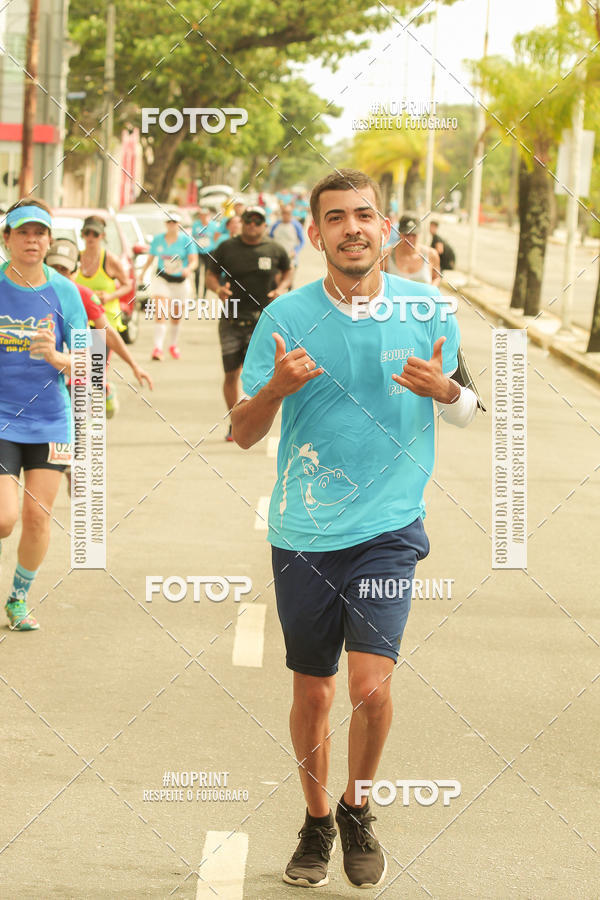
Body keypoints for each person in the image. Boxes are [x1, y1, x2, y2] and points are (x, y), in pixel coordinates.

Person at [231, 169, 479, 889]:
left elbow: (469, 408)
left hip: (389, 527)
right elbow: (243, 434)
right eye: (335, 217)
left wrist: (449, 392)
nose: (351, 228)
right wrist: (276, 388)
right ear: (316, 234)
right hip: (304, 531)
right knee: (315, 694)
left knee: (371, 687)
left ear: (383, 225)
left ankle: (358, 807)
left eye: (363, 214)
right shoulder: (283, 319)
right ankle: (315, 822)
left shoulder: (430, 309)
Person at [0, 199, 88, 631]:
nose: (32, 240)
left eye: (40, 233)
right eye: (23, 233)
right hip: (1, 417)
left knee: (38, 516)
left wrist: (57, 357)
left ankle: (18, 597)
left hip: (51, 420)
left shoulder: (64, 292)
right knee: (3, 518)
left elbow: (90, 360)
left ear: (49, 241)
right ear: (7, 240)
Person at [205, 206, 291, 441]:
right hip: (232, 317)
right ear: (242, 223)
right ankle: (236, 421)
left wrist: (282, 288)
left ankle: (254, 420)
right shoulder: (226, 247)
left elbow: (288, 270)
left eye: (257, 221)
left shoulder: (274, 248)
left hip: (264, 320)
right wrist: (217, 289)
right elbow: (210, 274)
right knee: (231, 373)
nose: (252, 224)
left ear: (264, 225)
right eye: (248, 220)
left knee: (263, 374)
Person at [46, 237, 153, 392]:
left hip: (76, 376)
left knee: (92, 402)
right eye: (53, 269)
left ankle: (105, 392)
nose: (58, 276)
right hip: (45, 378)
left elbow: (107, 332)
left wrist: (134, 366)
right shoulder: (33, 293)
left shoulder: (83, 296)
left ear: (75, 272)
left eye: (64, 270)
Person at [75, 214, 134, 414]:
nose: (90, 237)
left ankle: (105, 390)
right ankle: (86, 412)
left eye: (95, 233)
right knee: (81, 371)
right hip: (80, 321)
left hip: (105, 320)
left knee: (96, 373)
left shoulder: (110, 260)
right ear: (82, 234)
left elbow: (128, 284)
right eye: (87, 233)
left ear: (102, 236)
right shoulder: (76, 258)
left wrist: (110, 295)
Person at [138, 213, 198, 361]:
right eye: (169, 222)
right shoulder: (158, 240)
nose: (171, 225)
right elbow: (151, 258)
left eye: (174, 222)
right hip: (162, 279)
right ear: (166, 224)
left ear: (179, 224)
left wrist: (189, 269)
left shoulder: (186, 240)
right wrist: (142, 274)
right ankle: (157, 348)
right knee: (160, 312)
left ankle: (173, 344)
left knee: (176, 316)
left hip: (180, 281)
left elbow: (194, 261)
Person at [386, 213, 441, 286]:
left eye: (414, 235)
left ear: (419, 233)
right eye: (407, 234)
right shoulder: (386, 255)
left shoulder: (431, 255)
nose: (410, 239)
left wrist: (431, 292)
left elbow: (436, 278)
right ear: (400, 233)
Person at [269, 205, 305, 288]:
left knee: (288, 283)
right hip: (277, 258)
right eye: (284, 213)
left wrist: (295, 251)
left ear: (291, 214)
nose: (286, 215)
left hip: (291, 259)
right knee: (276, 282)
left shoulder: (296, 225)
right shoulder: (276, 224)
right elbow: (270, 238)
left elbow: (302, 241)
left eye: (288, 213)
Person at [192, 207, 221, 298]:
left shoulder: (213, 225)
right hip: (198, 251)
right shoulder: (196, 225)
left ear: (208, 215)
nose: (203, 217)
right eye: (201, 215)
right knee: (197, 272)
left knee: (206, 273)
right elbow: (193, 237)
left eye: (205, 215)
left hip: (209, 252)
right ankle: (197, 293)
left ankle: (204, 294)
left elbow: (216, 238)